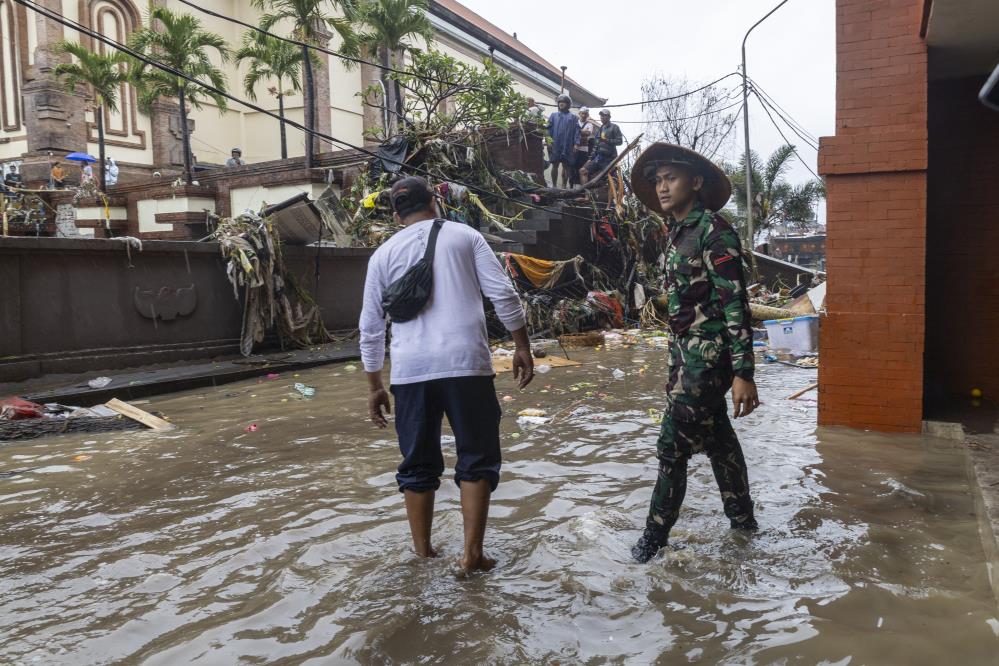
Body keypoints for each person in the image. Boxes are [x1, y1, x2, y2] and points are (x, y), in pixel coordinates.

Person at [359, 176, 534, 573]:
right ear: (435, 203)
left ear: (395, 213)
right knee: (476, 457)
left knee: (417, 465)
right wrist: (521, 346)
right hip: (466, 366)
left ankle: (423, 555)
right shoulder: (464, 236)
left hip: (409, 372)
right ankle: (472, 555)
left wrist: (374, 386)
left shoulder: (382, 254)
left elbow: (370, 327)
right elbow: (503, 294)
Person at [628, 142, 761, 563]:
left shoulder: (713, 231)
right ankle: (744, 524)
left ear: (696, 183)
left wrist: (744, 372)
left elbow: (735, 304)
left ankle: (653, 540)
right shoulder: (676, 233)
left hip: (707, 364)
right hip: (684, 359)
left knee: (671, 448)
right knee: (718, 440)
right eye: (658, 180)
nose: (663, 188)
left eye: (671, 178)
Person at [546, 93, 579, 189]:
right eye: (560, 102)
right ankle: (554, 186)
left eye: (563, 102)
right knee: (554, 165)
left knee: (566, 166)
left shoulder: (574, 117)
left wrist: (576, 144)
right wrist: (548, 141)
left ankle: (564, 186)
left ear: (568, 104)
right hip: (555, 144)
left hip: (568, 145)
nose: (561, 104)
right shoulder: (553, 115)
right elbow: (547, 129)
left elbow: (577, 132)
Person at [580, 109, 622, 182]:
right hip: (598, 158)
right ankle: (586, 193)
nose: (602, 117)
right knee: (583, 171)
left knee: (611, 179)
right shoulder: (600, 129)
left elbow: (620, 141)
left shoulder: (614, 127)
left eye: (604, 115)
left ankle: (614, 192)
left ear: (609, 117)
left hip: (609, 159)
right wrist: (590, 159)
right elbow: (595, 146)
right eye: (601, 116)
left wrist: (607, 140)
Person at [571, 107, 598, 186]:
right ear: (579, 114)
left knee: (582, 167)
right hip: (574, 148)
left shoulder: (590, 124)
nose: (583, 115)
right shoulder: (575, 122)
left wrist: (577, 131)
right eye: (582, 113)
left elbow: (588, 133)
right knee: (572, 167)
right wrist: (581, 132)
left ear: (587, 115)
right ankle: (572, 185)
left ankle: (580, 186)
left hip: (584, 149)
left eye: (585, 114)